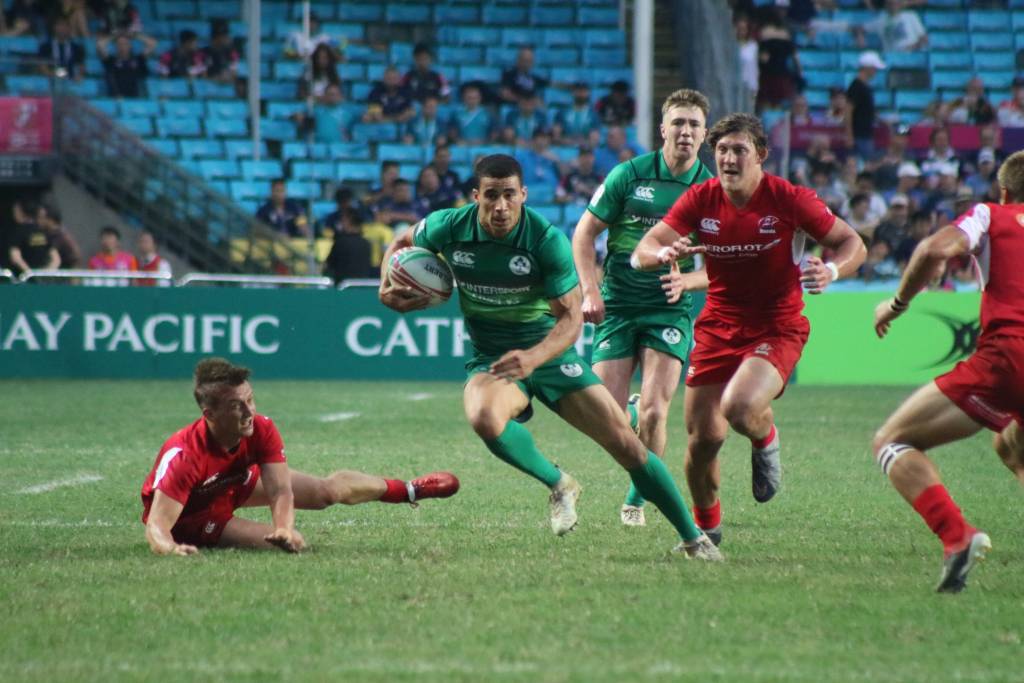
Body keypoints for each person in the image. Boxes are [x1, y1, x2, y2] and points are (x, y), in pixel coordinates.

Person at [379, 154, 721, 560]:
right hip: (493, 357)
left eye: (509, 195)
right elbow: (401, 244)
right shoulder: (448, 226)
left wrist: (534, 357)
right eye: (491, 196)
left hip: (551, 354)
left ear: (523, 194)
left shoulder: (545, 240)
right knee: (483, 416)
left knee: (629, 449)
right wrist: (386, 285)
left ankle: (692, 538)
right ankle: (560, 484)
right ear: (476, 197)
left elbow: (572, 318)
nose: (501, 206)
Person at [631, 113, 866, 544]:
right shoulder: (701, 199)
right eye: (721, 150)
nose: (728, 158)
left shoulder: (790, 199)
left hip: (777, 327)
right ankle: (708, 534)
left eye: (739, 150)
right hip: (718, 327)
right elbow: (643, 250)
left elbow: (854, 243)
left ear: (760, 155)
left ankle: (765, 437)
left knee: (739, 407)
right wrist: (664, 253)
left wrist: (833, 270)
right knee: (701, 443)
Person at [870, 150, 1024, 592]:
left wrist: (896, 305)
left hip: (1008, 358)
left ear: (1005, 191)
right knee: (1012, 447)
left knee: (891, 441)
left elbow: (934, 248)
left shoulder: (990, 214)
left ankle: (957, 536)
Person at [141, 358, 458, 555]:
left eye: (250, 400)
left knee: (326, 492)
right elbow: (157, 524)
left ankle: (410, 490)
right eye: (237, 406)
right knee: (294, 544)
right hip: (197, 517)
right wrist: (169, 549)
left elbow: (280, 489)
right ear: (209, 414)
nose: (249, 411)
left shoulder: (261, 428)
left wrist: (282, 525)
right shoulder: (183, 455)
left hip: (232, 482)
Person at [572, 89, 714, 527]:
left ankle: (636, 500)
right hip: (617, 305)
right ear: (663, 128)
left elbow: (721, 265)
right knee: (605, 419)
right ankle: (628, 409)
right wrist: (590, 291)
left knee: (656, 413)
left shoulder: (711, 190)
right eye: (679, 122)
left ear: (704, 133)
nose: (686, 131)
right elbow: (584, 234)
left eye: (694, 124)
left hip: (668, 310)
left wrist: (689, 280)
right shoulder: (629, 175)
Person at [846, 51, 884, 160]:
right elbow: (848, 111)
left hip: (865, 134)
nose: (875, 72)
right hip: (859, 135)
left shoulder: (865, 87)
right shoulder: (856, 86)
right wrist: (849, 136)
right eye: (874, 68)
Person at [8, 199, 59, 277]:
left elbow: (15, 256)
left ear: (20, 212)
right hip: (42, 281)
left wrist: (30, 273)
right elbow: (56, 259)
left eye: (15, 210)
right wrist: (46, 274)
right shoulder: (43, 231)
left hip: (23, 281)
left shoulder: (18, 231)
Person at [97, 31, 155, 98]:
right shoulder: (111, 60)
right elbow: (100, 45)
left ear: (130, 45)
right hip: (115, 99)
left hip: (134, 99)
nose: (122, 46)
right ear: (116, 46)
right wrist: (114, 36)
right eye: (120, 44)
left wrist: (136, 35)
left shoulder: (138, 59)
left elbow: (152, 44)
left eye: (125, 43)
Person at [322, 208, 372, 283]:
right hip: (362, 287)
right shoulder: (367, 243)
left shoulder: (341, 242)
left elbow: (329, 265)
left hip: (343, 288)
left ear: (349, 222)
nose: (341, 223)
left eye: (343, 221)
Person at [36, 202, 80, 270]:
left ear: (50, 219)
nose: (38, 221)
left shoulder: (62, 237)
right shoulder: (45, 235)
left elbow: (75, 259)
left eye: (41, 217)